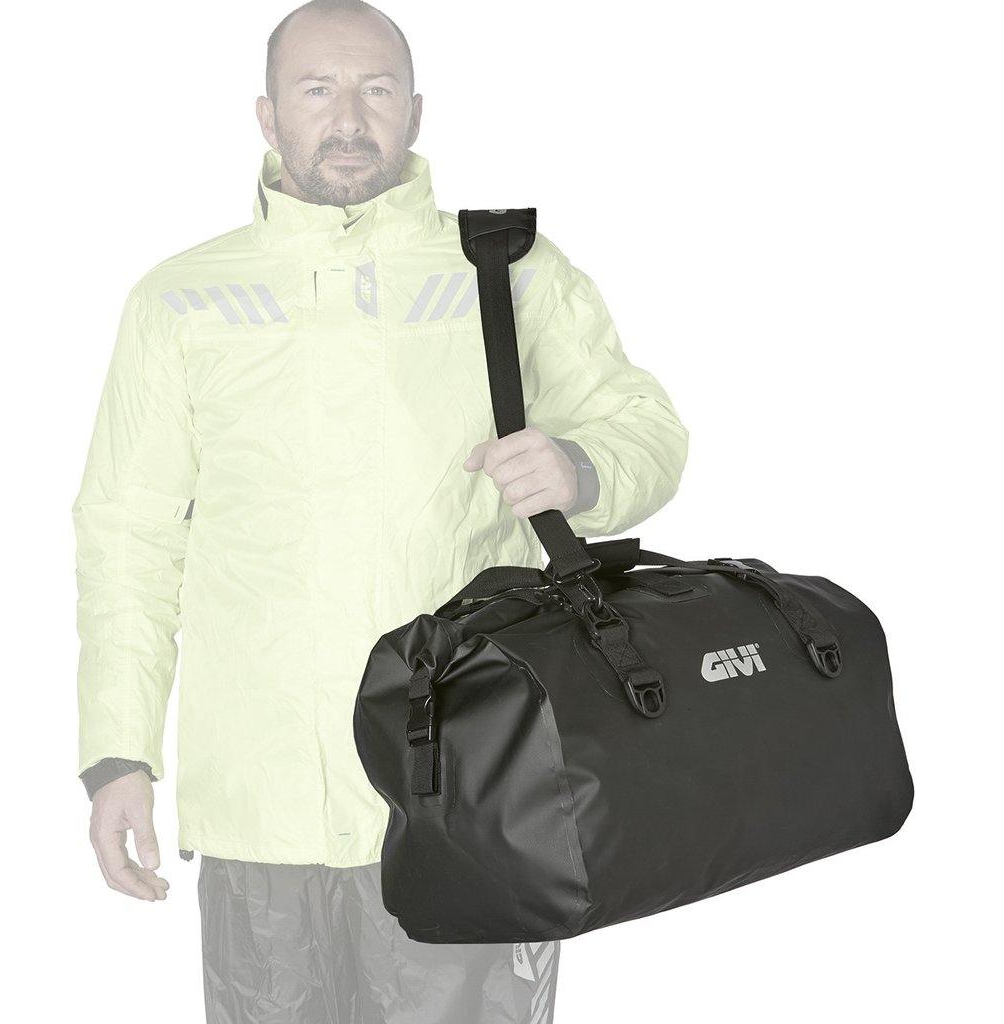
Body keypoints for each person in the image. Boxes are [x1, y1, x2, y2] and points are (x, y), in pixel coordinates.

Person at [73, 2, 689, 1020]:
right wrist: (118, 754)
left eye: (376, 89)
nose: (349, 117)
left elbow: (645, 429)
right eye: (317, 90)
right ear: (268, 115)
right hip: (262, 807)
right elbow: (127, 540)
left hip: (472, 793)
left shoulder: (507, 271)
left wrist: (581, 467)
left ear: (415, 110)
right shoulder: (180, 301)